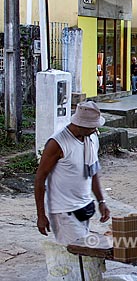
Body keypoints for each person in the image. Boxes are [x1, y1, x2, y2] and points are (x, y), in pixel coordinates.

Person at [34, 101, 110, 245]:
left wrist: (101, 201)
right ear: (80, 125)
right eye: (91, 127)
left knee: (85, 253)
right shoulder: (57, 143)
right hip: (64, 210)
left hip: (84, 205)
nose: (95, 130)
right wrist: (41, 215)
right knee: (75, 257)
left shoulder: (92, 138)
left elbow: (92, 171)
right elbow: (39, 178)